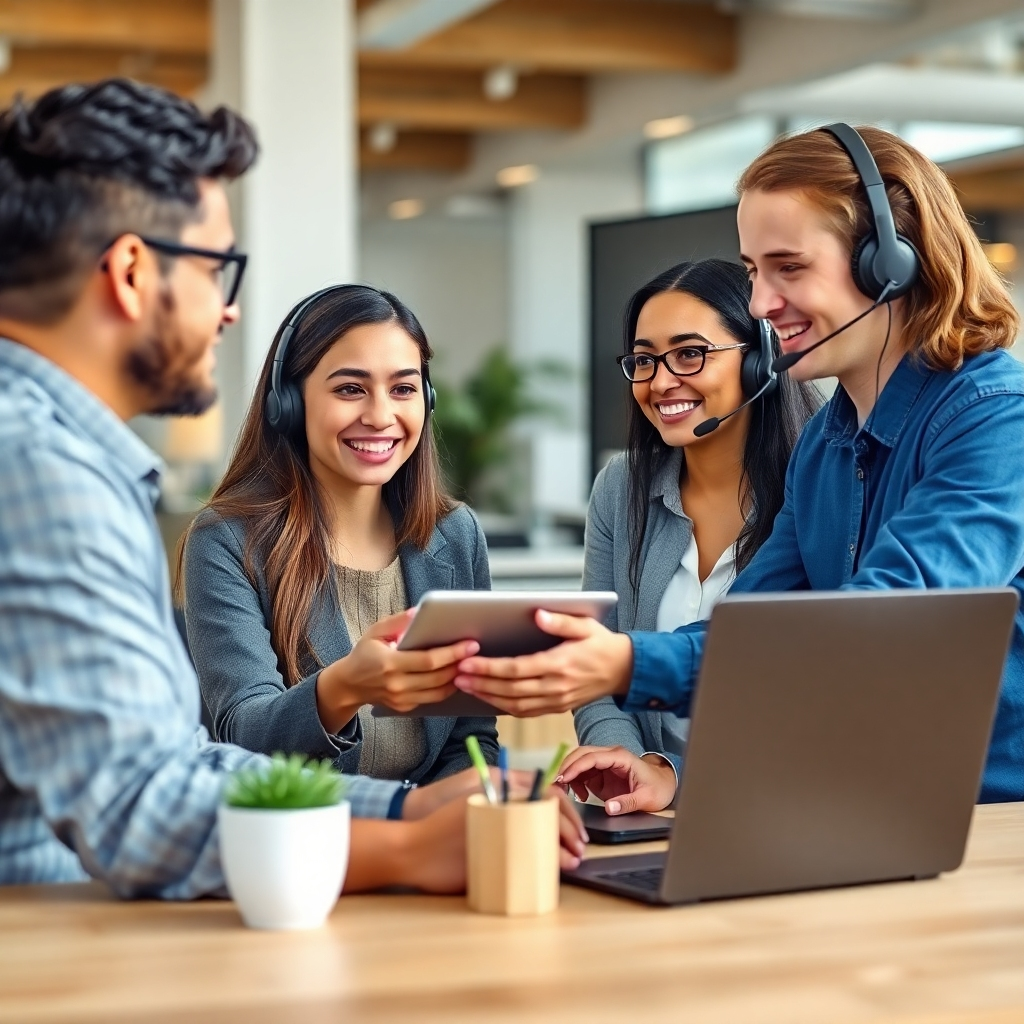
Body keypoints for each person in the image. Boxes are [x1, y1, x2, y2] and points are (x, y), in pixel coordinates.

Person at [0, 78, 585, 899]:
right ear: (132, 272)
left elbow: (178, 763)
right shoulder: (40, 471)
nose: (228, 311)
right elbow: (143, 809)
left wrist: (404, 812)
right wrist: (410, 850)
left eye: (405, 386)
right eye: (218, 269)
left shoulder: (58, 456)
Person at [454, 124, 1024, 805]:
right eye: (754, 272)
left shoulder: (995, 420)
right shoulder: (829, 445)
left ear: (889, 261)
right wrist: (666, 766)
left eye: (789, 267)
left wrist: (626, 661)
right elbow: (756, 626)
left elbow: (888, 626)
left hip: (994, 824)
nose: (759, 304)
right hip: (870, 811)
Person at [179, 284, 499, 782]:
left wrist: (472, 806)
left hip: (430, 842)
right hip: (303, 838)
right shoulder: (226, 540)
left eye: (403, 388)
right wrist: (345, 686)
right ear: (288, 402)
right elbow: (242, 734)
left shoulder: (454, 534)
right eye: (350, 388)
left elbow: (471, 740)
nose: (380, 416)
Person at [564, 260, 819, 814]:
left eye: (689, 354)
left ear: (760, 361)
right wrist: (625, 761)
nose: (660, 382)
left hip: (783, 807)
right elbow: (597, 665)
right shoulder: (621, 487)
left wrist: (675, 773)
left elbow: (808, 692)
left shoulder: (823, 484)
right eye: (644, 360)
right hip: (653, 817)